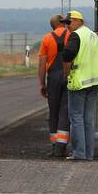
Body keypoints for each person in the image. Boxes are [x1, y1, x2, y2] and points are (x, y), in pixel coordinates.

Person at [61, 10, 98, 160]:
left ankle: (79, 153)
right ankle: (89, 154)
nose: (67, 26)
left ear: (78, 21)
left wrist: (67, 73)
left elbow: (67, 55)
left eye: (69, 22)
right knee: (88, 119)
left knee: (76, 118)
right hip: (94, 82)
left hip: (79, 82)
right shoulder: (93, 35)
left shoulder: (77, 35)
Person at [37, 14, 70, 157]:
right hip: (68, 75)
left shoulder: (47, 39)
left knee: (54, 112)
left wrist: (42, 84)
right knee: (65, 111)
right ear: (63, 23)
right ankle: (62, 147)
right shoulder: (72, 36)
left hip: (53, 77)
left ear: (52, 26)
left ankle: (54, 145)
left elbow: (42, 64)